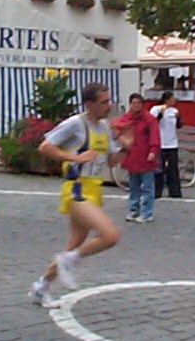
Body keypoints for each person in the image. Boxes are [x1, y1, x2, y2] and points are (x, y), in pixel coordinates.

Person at [28, 82, 129, 309]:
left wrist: (124, 148)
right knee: (110, 235)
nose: (108, 105)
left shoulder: (104, 127)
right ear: (90, 103)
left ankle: (41, 287)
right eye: (103, 102)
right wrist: (74, 158)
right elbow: (45, 147)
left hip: (94, 189)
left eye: (109, 100)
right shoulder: (75, 124)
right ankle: (68, 262)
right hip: (76, 190)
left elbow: (111, 161)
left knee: (72, 247)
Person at [112, 93, 160, 223]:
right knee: (133, 186)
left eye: (138, 103)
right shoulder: (126, 118)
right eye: (134, 103)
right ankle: (134, 209)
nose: (136, 106)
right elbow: (116, 127)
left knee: (147, 187)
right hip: (132, 156)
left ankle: (147, 212)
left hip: (145, 156)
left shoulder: (149, 119)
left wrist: (153, 151)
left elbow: (154, 136)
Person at [151, 91, 183, 199]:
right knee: (158, 169)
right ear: (167, 99)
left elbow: (178, 126)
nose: (174, 100)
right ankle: (157, 191)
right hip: (160, 143)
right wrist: (161, 113)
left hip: (172, 143)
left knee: (173, 169)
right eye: (172, 98)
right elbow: (153, 122)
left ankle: (174, 191)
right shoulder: (156, 108)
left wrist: (178, 118)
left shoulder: (174, 111)